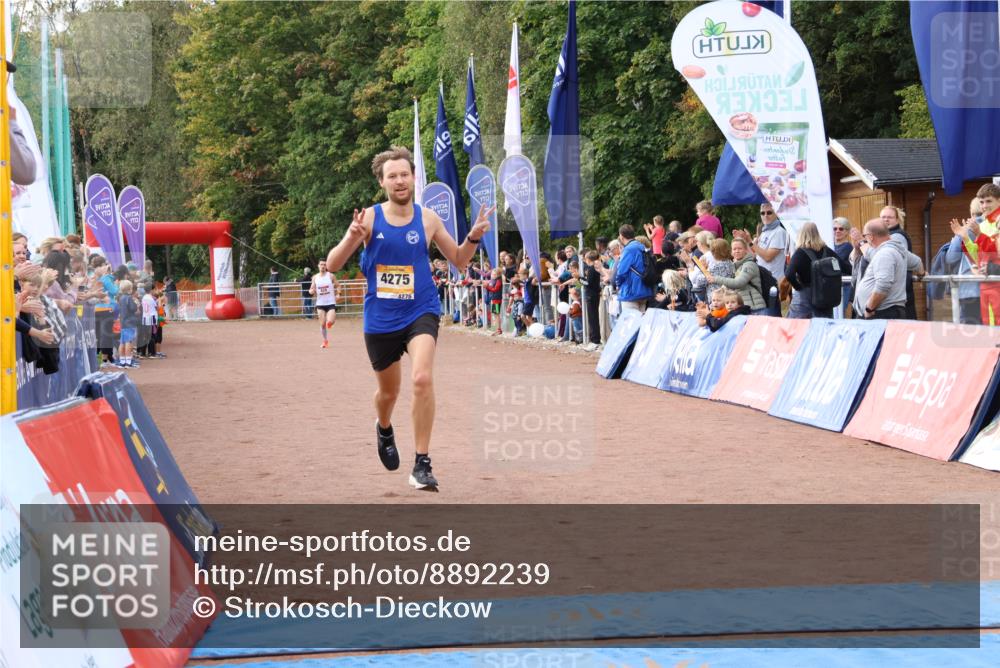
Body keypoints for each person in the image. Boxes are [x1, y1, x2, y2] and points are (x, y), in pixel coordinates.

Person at [325, 146, 493, 491]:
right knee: (389, 393)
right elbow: (333, 264)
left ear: (414, 178)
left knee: (421, 378)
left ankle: (422, 463)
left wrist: (474, 235)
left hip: (421, 309)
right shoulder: (368, 218)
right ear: (382, 182)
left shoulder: (428, 218)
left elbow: (460, 260)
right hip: (381, 317)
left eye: (404, 174)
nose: (399, 180)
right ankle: (384, 426)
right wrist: (352, 237)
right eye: (392, 176)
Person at [853, 220, 925, 320]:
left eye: (865, 236)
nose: (865, 239)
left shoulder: (885, 253)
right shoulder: (897, 249)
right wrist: (922, 274)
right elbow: (917, 262)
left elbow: (883, 285)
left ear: (870, 237)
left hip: (881, 312)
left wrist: (869, 308)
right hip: (885, 311)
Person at [737, 203, 788, 316]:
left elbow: (768, 257)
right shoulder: (765, 231)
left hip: (772, 280)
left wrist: (750, 242)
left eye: (769, 212)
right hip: (761, 280)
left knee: (771, 315)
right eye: (762, 213)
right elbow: (757, 256)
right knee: (762, 315)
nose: (765, 215)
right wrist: (745, 241)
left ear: (776, 214)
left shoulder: (779, 232)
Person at [785, 222, 842, 319]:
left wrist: (798, 287)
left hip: (804, 300)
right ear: (817, 234)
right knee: (824, 326)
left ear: (801, 235)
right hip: (824, 298)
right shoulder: (827, 251)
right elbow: (845, 267)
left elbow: (789, 274)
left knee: (799, 326)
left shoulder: (800, 253)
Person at [706, 237, 767, 314]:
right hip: (745, 306)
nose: (737, 251)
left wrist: (715, 279)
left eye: (739, 248)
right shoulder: (736, 265)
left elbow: (738, 283)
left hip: (754, 307)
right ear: (731, 251)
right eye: (734, 249)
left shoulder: (749, 265)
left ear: (746, 250)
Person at [613, 224, 653, 313]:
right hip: (644, 290)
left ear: (621, 236)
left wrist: (618, 285)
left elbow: (621, 272)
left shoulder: (628, 249)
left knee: (631, 321)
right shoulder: (642, 247)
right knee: (641, 320)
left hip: (631, 292)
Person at [310, 260, 338, 348]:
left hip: (330, 303)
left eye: (324, 265)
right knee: (322, 324)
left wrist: (339, 293)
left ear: (326, 266)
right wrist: (311, 291)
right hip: (320, 303)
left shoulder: (331, 276)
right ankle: (325, 341)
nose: (323, 266)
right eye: (321, 264)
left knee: (330, 322)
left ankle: (330, 323)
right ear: (318, 266)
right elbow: (312, 288)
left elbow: (338, 285)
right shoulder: (315, 277)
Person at [116, 280, 141, 368]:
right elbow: (133, 308)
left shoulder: (121, 298)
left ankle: (122, 361)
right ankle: (128, 362)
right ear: (129, 289)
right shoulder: (129, 298)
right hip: (129, 322)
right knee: (128, 342)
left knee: (122, 342)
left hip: (123, 322)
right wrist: (136, 304)